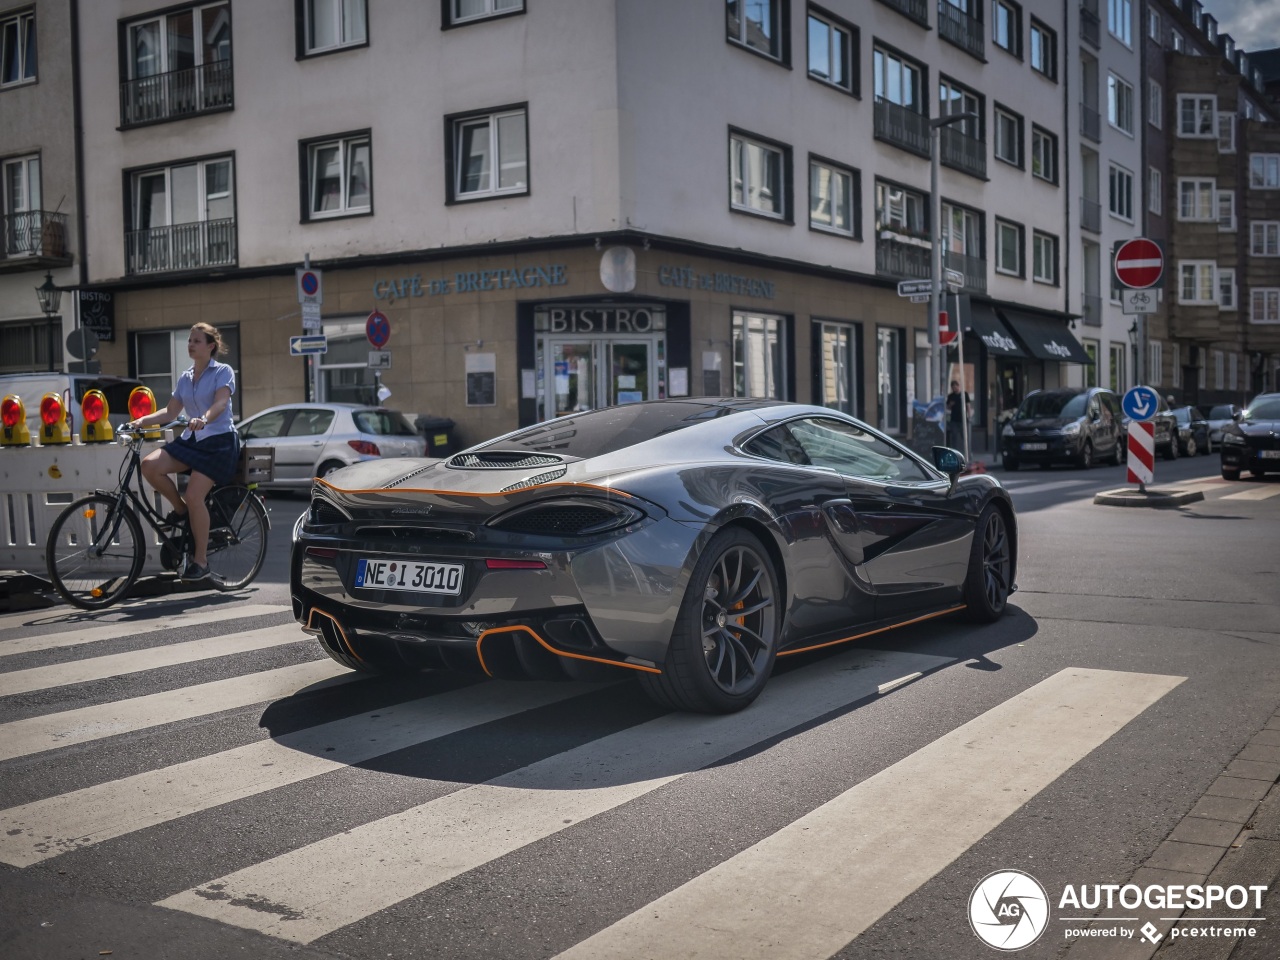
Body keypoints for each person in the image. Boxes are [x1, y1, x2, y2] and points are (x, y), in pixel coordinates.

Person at [124, 323, 240, 582]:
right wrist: (140, 421)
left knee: (195, 494)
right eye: (189, 340)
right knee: (149, 466)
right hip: (193, 440)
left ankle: (201, 561)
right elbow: (170, 413)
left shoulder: (223, 371)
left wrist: (204, 418)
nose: (190, 345)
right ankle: (180, 510)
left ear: (211, 346)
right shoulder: (185, 377)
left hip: (218, 442)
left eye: (197, 341)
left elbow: (221, 402)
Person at [946, 379, 970, 450]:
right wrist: (950, 404)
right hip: (954, 419)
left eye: (955, 387)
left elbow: (968, 405)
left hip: (963, 419)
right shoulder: (951, 396)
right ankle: (954, 451)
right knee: (954, 437)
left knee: (964, 436)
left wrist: (969, 415)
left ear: (958, 386)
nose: (954, 389)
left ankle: (967, 451)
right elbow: (948, 407)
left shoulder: (964, 394)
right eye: (953, 388)